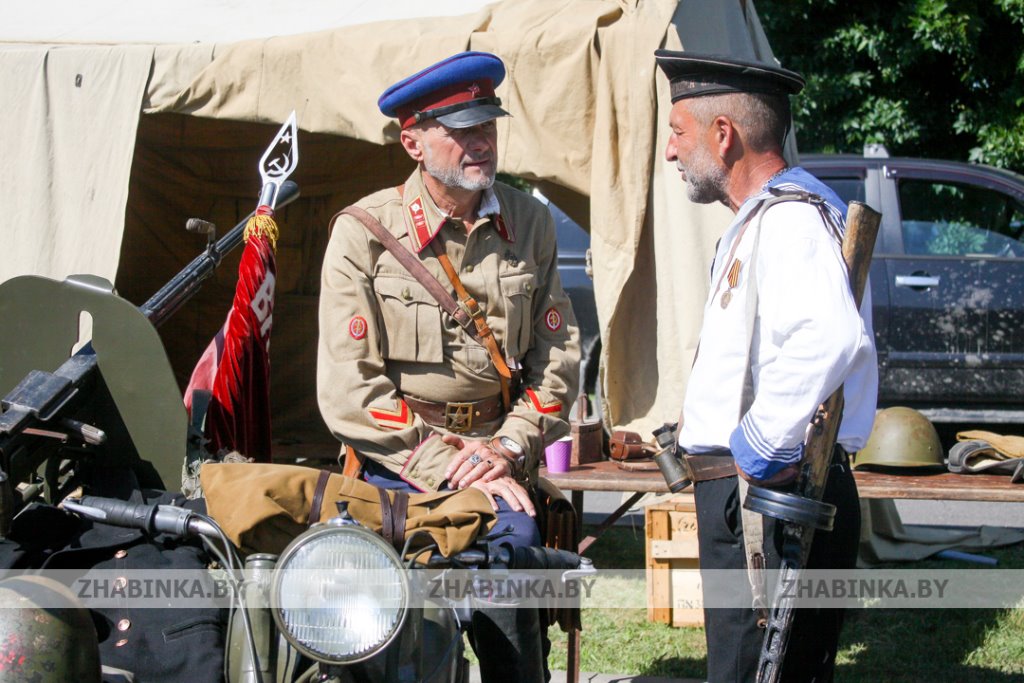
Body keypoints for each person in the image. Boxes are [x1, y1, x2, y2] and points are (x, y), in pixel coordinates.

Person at [317, 51, 580, 682]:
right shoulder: (365, 233)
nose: (480, 142)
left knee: (509, 576)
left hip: (497, 456)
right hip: (397, 464)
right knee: (380, 627)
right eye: (460, 129)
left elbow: (558, 356)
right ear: (413, 141)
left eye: (486, 124)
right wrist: (451, 468)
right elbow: (349, 388)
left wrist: (510, 447)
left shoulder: (530, 222)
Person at [655, 50, 878, 682]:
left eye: (678, 132)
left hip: (770, 500)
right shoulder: (764, 221)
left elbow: (828, 337)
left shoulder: (790, 221)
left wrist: (755, 448)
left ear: (723, 135)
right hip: (758, 498)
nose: (671, 152)